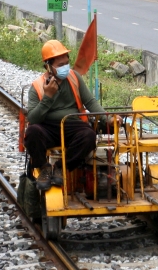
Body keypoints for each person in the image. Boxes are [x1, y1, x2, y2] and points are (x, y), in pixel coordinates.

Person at [23, 40, 107, 190]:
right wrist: (48, 97)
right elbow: (33, 119)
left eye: (66, 63)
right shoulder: (37, 87)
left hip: (72, 124)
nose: (65, 67)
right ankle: (44, 168)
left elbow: (90, 102)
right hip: (47, 127)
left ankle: (61, 167)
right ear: (48, 66)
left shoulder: (74, 77)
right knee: (32, 132)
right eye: (60, 65)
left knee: (88, 136)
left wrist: (108, 118)